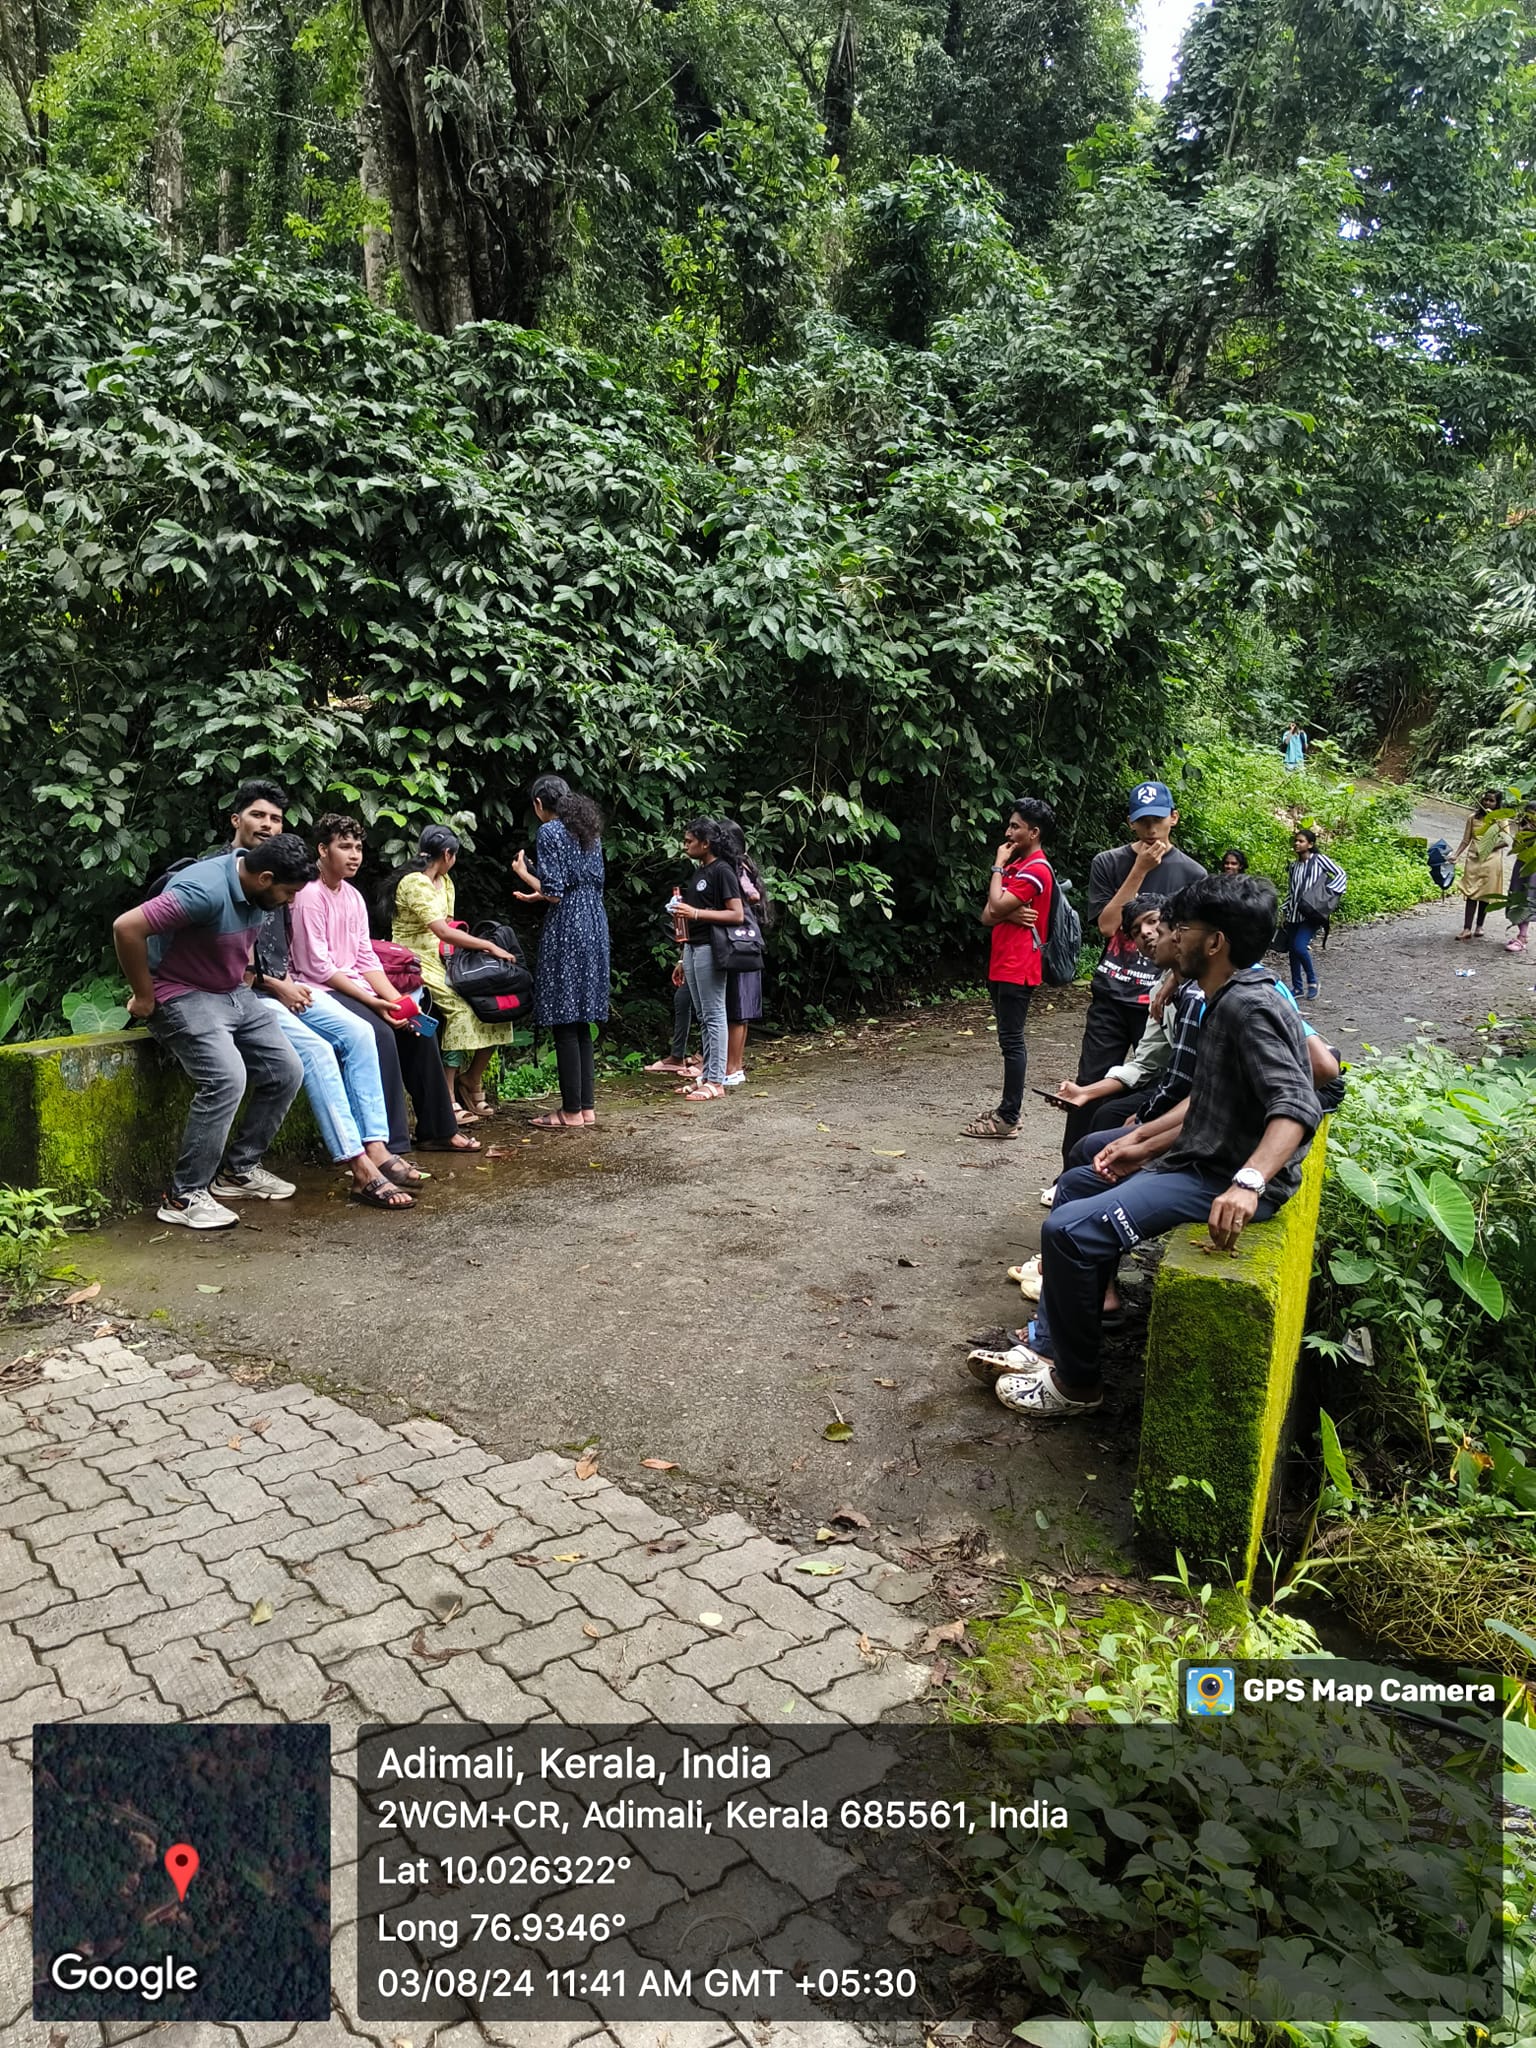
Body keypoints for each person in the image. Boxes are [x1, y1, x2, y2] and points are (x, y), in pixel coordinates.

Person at [972, 873, 1321, 1418]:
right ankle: (1056, 1339)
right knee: (1079, 1183)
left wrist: (1249, 1183)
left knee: (1067, 1233)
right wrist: (1142, 1144)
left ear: (1215, 942)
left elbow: (1296, 1104)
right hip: (1198, 1159)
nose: (1170, 937)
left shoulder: (1248, 1008)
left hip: (1222, 1177)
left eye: (1182, 928)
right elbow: (1215, 1099)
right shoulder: (1224, 997)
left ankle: (1075, 1385)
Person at [113, 837, 314, 1230]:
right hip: (180, 991)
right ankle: (183, 1196)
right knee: (226, 1078)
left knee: (287, 1070)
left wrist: (246, 973)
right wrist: (144, 996)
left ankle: (238, 1172)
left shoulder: (256, 890)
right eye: (289, 892)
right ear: (265, 878)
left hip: (232, 991)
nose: (290, 901)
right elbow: (127, 927)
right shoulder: (203, 890)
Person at [1062, 785, 1204, 1171]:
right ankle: (1069, 1173)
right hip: (1112, 992)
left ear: (1174, 818)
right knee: (1090, 1082)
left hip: (1159, 998)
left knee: (1153, 1084)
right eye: (1143, 822)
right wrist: (1139, 870)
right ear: (1131, 823)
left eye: (1158, 820)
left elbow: (1192, 939)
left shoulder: (1193, 873)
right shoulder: (1109, 862)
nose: (1151, 830)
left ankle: (1127, 1167)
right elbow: (1109, 927)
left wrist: (1174, 980)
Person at [388, 826, 518, 1118]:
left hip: (445, 957)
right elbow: (442, 931)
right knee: (460, 1010)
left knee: (494, 1003)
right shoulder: (414, 883)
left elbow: (449, 927)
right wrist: (489, 946)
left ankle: (472, 1079)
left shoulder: (445, 882)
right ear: (448, 854)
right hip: (414, 959)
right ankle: (447, 1097)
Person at [511, 774, 611, 1130]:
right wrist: (540, 892)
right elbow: (576, 883)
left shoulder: (550, 831)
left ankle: (570, 1112)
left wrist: (525, 874)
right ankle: (585, 1108)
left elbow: (554, 892)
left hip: (568, 924)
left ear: (539, 804)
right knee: (582, 1016)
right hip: (594, 919)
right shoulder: (588, 831)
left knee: (565, 1016)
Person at [960, 799, 1055, 1141]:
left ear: (1034, 832)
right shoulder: (1019, 867)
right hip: (1002, 964)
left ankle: (1008, 1117)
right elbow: (987, 915)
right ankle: (1007, 1111)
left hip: (1019, 966)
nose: (1008, 832)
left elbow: (996, 903)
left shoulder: (1035, 869)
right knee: (1007, 1040)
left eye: (1016, 826)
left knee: (1012, 1042)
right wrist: (1008, 911)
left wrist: (998, 867)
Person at [671, 820, 744, 1102]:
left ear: (706, 843)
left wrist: (695, 914)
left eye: (689, 841)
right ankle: (707, 1075)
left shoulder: (722, 870)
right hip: (692, 947)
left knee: (714, 1014)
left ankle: (716, 1081)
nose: (685, 846)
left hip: (711, 948)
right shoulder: (700, 871)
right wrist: (682, 957)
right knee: (703, 1016)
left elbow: (736, 914)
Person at [717, 820, 768, 1088]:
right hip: (748, 946)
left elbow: (752, 896)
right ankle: (734, 1066)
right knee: (740, 1010)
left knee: (736, 1011)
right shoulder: (744, 866)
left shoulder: (736, 869)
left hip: (739, 947)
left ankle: (731, 1067)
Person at [1282, 826, 1345, 998]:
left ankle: (1312, 981)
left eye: (1301, 841)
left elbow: (1341, 874)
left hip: (1312, 913)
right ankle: (1297, 987)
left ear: (1310, 844)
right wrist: (1285, 910)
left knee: (1299, 947)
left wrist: (1328, 894)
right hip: (1294, 913)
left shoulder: (1319, 860)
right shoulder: (1294, 866)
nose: (1297, 844)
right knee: (1293, 951)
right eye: (1296, 841)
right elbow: (1292, 891)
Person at [1454, 792, 1509, 942]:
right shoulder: (1472, 818)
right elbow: (1466, 840)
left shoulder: (1501, 820)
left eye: (1491, 801)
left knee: (1485, 893)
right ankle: (1466, 929)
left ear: (1497, 804)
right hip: (1473, 859)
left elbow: (1506, 841)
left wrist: (1488, 847)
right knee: (1470, 892)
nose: (1487, 803)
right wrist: (1456, 855)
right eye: (1485, 799)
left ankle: (1479, 926)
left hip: (1491, 860)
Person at [1504, 807, 1536, 953]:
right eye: (1529, 813)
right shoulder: (1523, 829)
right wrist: (1522, 832)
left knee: (1529, 897)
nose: (1531, 817)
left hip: (1533, 868)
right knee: (1518, 897)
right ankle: (1522, 935)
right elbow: (1515, 848)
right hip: (1521, 866)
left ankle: (1522, 937)